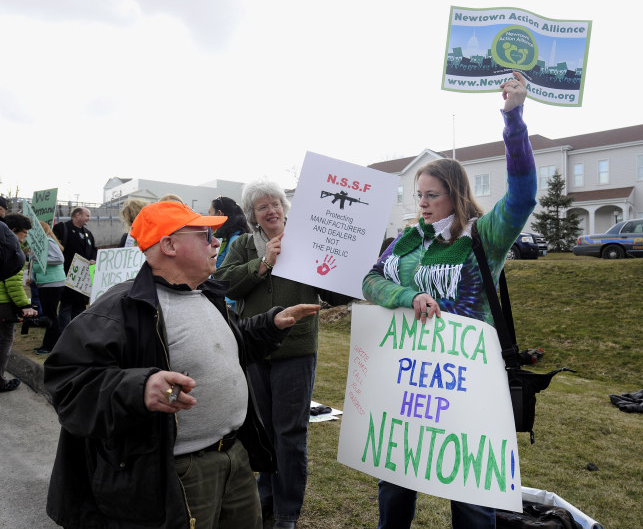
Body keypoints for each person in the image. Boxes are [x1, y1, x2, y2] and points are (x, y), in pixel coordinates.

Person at [44, 200, 321, 528]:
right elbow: (67, 383)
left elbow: (229, 347)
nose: (216, 242)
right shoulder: (121, 308)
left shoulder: (205, 294)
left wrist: (270, 325)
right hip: (179, 471)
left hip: (235, 458)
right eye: (205, 234)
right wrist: (142, 387)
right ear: (169, 244)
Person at [362, 72, 536, 529]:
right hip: (410, 381)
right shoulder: (406, 241)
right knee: (396, 476)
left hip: (467, 381)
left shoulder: (484, 235)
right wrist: (408, 294)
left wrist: (513, 119)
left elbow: (523, 196)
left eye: (431, 195)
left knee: (470, 487)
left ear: (454, 193)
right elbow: (370, 281)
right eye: (417, 195)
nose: (422, 203)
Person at [215, 180, 351, 529]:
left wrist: (342, 268)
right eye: (263, 207)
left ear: (285, 207)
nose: (271, 210)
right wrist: (262, 263)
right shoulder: (245, 245)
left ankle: (287, 512)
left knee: (290, 433)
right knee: (263, 430)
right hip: (254, 348)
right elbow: (222, 283)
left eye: (276, 203)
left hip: (296, 348)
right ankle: (266, 501)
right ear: (253, 216)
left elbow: (334, 296)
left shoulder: (308, 242)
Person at [0, 213, 38, 392]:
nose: (26, 237)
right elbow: (13, 285)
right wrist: (26, 305)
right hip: (3, 307)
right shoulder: (12, 251)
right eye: (24, 233)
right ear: (13, 231)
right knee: (4, 343)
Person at [52, 207, 97, 330]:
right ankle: (63, 334)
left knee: (80, 307)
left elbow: (94, 249)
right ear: (77, 215)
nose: (89, 218)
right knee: (66, 306)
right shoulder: (61, 229)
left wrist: (93, 259)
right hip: (67, 275)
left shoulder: (88, 233)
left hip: (83, 278)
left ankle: (77, 333)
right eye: (87, 215)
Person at [29, 221, 66, 355]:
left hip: (53, 283)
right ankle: (49, 345)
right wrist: (32, 277)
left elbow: (59, 259)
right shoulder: (41, 243)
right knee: (49, 315)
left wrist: (38, 259)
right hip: (47, 283)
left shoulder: (48, 242)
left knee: (50, 316)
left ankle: (50, 346)